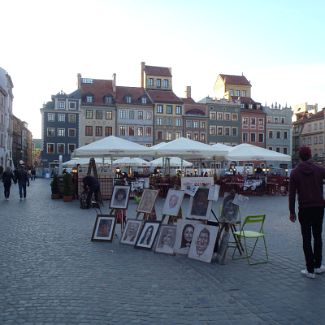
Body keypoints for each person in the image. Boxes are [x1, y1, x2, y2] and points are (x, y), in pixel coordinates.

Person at [289, 146, 325, 279]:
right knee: (318, 236)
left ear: (300, 156)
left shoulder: (295, 172)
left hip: (304, 208)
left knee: (306, 238)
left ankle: (310, 270)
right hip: (319, 207)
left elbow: (292, 195)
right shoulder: (319, 169)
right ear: (310, 155)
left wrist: (292, 212)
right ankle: (318, 266)